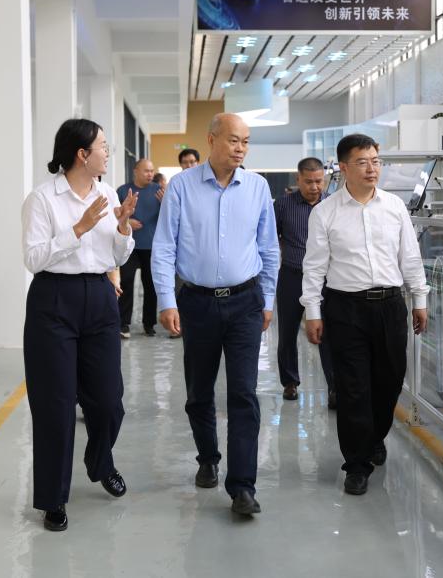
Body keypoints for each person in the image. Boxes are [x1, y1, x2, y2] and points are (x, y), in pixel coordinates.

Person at [152, 113, 279, 517]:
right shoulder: (182, 187)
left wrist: (268, 300)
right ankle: (207, 457)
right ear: (211, 140)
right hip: (197, 302)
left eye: (246, 141)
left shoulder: (257, 188)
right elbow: (164, 246)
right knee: (199, 391)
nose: (241, 148)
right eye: (233, 140)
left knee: (243, 393)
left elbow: (269, 248)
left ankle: (242, 486)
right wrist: (166, 300)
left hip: (245, 302)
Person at [21, 118, 138, 532]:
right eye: (103, 146)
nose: (108, 152)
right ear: (81, 154)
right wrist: (79, 228)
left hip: (100, 297)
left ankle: (99, 461)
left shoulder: (106, 193)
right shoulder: (42, 199)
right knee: (54, 406)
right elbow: (34, 258)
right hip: (54, 300)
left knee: (108, 401)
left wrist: (122, 227)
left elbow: (117, 257)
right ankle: (53, 498)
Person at [301, 133, 429, 496]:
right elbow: (314, 266)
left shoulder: (394, 207)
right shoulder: (325, 212)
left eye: (375, 161)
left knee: (390, 380)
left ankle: (374, 437)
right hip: (345, 308)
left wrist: (419, 298)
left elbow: (410, 256)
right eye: (362, 162)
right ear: (343, 168)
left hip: (390, 306)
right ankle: (356, 464)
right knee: (353, 387)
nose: (371, 168)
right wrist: (312, 310)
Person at [273, 157, 335, 406]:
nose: (314, 187)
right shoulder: (283, 205)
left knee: (328, 333)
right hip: (292, 276)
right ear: (298, 179)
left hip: (326, 279)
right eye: (308, 182)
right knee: (287, 332)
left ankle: (334, 387)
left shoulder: (332, 204)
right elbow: (271, 238)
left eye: (319, 181)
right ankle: (290, 382)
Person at [117, 159, 163, 339]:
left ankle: (149, 324)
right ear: (135, 171)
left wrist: (166, 202)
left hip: (151, 246)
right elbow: (113, 215)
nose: (150, 174)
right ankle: (123, 324)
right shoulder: (123, 190)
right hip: (129, 246)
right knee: (126, 283)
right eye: (146, 171)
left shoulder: (159, 191)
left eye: (152, 171)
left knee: (150, 286)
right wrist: (127, 221)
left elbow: (170, 216)